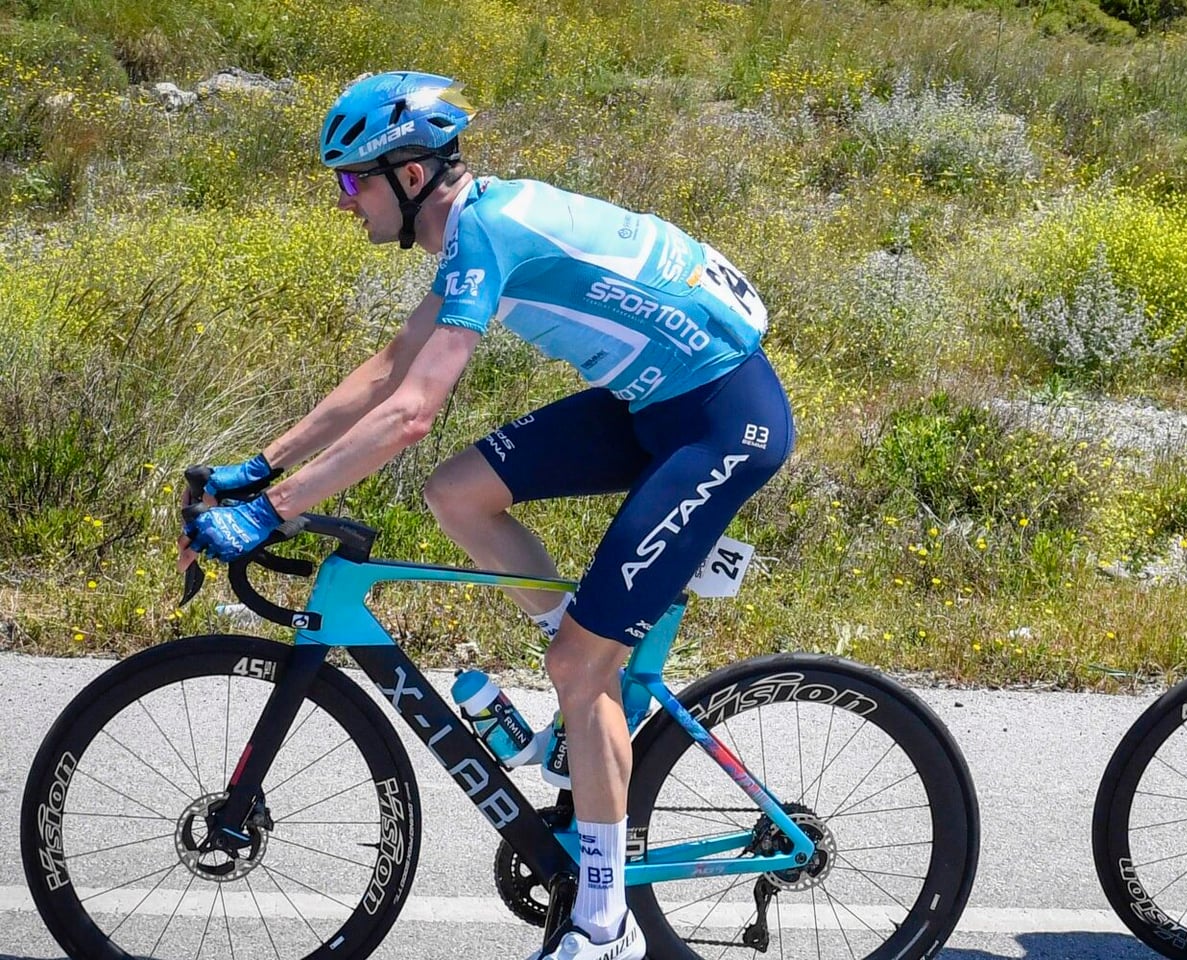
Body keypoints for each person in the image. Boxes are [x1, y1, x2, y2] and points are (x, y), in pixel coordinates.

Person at [180, 70, 795, 960]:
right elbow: (392, 366)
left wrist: (272, 511)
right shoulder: (477, 225)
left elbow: (411, 413)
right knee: (458, 491)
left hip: (721, 421)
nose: (344, 201)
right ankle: (584, 693)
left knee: (579, 665)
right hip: (656, 401)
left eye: (351, 180)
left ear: (410, 175)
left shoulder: (487, 232)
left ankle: (605, 925)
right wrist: (261, 466)